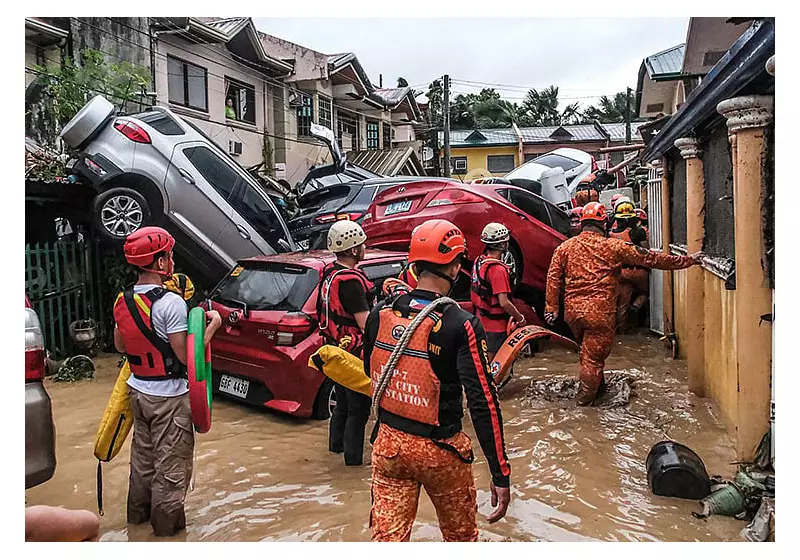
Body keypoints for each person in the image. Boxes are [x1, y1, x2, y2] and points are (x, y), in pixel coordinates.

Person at [364, 219, 511, 541]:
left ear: (414, 265)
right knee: (460, 538)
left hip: (388, 446)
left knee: (387, 540)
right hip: (440, 451)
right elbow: (483, 401)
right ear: (456, 267)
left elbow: (368, 372)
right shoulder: (461, 323)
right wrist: (500, 473)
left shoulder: (381, 313)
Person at [113, 227, 222, 537]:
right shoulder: (171, 303)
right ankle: (167, 537)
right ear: (159, 263)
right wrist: (211, 327)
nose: (172, 261)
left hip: (138, 391)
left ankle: (136, 526)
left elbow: (121, 347)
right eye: (169, 256)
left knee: (143, 464)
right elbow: (188, 358)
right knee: (171, 471)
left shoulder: (123, 300)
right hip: (170, 398)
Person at [544, 202, 703, 406]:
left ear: (582, 223)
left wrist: (551, 307)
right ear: (603, 223)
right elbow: (652, 259)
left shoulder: (564, 248)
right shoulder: (613, 246)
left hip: (573, 314)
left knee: (587, 354)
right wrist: (689, 260)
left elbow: (553, 277)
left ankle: (597, 390)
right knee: (593, 360)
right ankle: (584, 409)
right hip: (600, 313)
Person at [318, 220, 376, 466]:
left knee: (342, 403)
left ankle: (336, 449)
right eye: (362, 245)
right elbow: (365, 324)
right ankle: (352, 464)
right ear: (354, 250)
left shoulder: (330, 273)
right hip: (354, 352)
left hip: (336, 349)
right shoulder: (351, 283)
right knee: (358, 409)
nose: (364, 248)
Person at [470, 223, 525, 362]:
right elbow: (504, 302)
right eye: (506, 241)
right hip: (494, 328)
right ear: (501, 245)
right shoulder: (498, 270)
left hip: (478, 322)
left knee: (482, 363)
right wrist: (520, 318)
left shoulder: (479, 261)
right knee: (494, 367)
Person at [610, 200, 651, 330]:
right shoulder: (639, 232)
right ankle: (636, 306)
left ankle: (622, 329)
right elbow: (646, 253)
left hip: (622, 273)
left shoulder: (611, 234)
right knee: (646, 293)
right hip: (639, 272)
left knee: (622, 303)